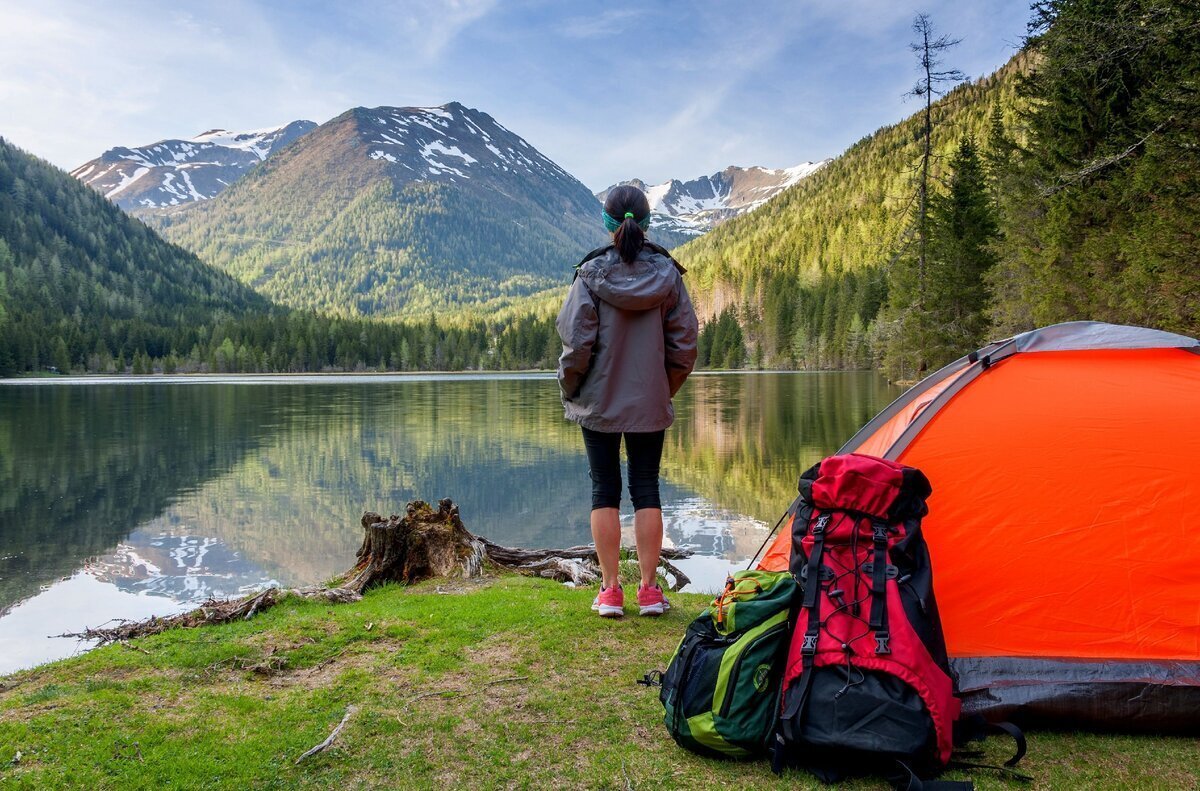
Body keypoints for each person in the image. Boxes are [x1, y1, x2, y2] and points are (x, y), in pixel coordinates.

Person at [556, 185, 699, 617]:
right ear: (646, 221)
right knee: (647, 488)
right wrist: (661, 386)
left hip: (598, 401)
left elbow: (576, 343)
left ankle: (611, 591)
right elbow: (685, 345)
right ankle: (651, 591)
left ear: (607, 222)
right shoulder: (668, 276)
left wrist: (571, 386)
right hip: (648, 401)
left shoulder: (590, 275)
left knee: (605, 490)